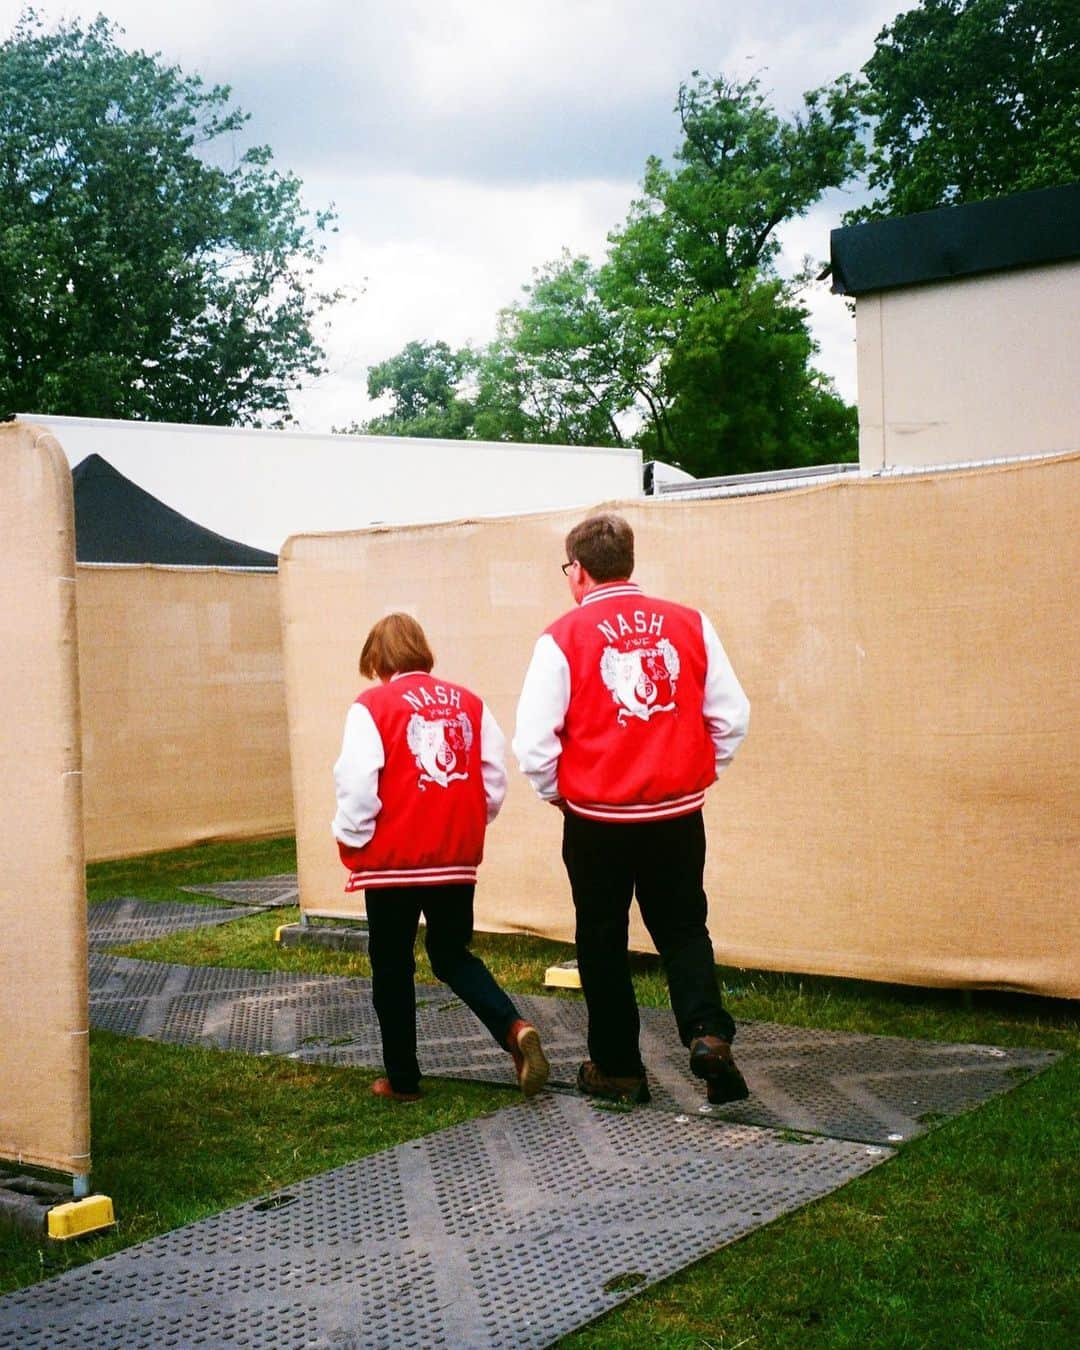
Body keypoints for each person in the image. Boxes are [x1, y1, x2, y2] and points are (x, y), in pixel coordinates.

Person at [513, 513, 750, 1106]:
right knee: (684, 928)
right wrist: (695, 773)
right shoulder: (690, 623)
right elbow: (731, 716)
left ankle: (618, 1067)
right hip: (676, 812)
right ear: (629, 561)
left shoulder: (562, 636)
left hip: (596, 818)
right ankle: (707, 1033)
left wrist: (559, 795)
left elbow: (534, 743)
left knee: (601, 940)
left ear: (580, 570)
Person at [333, 613, 549, 1103]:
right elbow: (493, 777)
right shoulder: (469, 703)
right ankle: (513, 1028)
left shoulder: (371, 706)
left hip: (392, 864)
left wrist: (351, 836)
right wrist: (469, 823)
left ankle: (403, 1080)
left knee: (392, 965)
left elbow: (357, 785)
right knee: (452, 955)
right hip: (453, 858)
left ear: (377, 659)